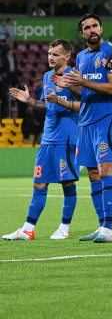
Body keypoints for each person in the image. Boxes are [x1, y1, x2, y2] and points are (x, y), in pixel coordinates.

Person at [52, 14, 112, 243]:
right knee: (92, 173)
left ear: (101, 28)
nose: (92, 30)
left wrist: (83, 82)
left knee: (105, 170)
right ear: (82, 34)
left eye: (95, 26)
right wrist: (70, 86)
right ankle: (101, 225)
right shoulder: (81, 57)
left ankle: (109, 229)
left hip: (105, 118)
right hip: (85, 122)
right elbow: (85, 93)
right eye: (87, 28)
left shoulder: (110, 51)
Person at [3, 39, 80, 241]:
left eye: (55, 54)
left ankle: (64, 227)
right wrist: (29, 101)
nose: (50, 57)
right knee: (39, 184)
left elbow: (85, 104)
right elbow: (48, 104)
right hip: (48, 139)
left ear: (67, 57)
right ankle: (28, 229)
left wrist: (62, 100)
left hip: (66, 138)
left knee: (67, 183)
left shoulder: (74, 76)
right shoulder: (47, 76)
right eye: (49, 54)